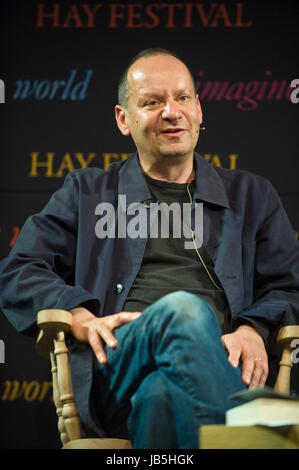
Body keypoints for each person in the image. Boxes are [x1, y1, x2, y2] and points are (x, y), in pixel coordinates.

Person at [0, 48, 299, 449]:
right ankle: (251, 429)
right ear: (124, 119)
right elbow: (18, 270)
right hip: (116, 367)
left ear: (199, 109)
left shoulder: (252, 195)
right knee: (183, 310)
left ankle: (235, 417)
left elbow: (289, 284)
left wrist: (252, 327)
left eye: (182, 98)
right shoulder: (87, 192)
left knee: (162, 395)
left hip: (220, 360)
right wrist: (77, 317)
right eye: (152, 102)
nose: (172, 112)